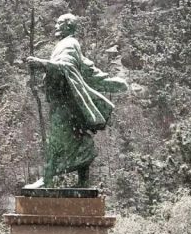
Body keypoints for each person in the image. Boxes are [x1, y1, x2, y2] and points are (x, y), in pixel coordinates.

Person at [27, 13, 127, 187]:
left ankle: (48, 179)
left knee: (55, 141)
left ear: (68, 26)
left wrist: (41, 63)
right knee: (77, 137)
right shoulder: (66, 45)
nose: (56, 26)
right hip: (67, 101)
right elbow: (87, 69)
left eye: (59, 23)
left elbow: (68, 67)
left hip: (67, 102)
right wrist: (110, 83)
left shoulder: (69, 44)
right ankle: (83, 182)